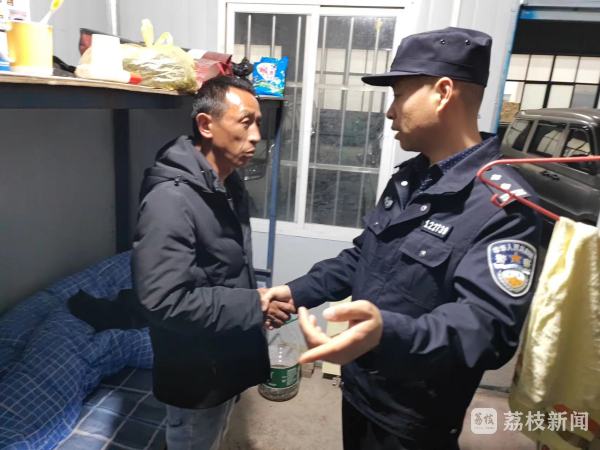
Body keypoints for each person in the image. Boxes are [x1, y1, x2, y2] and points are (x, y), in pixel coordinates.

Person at [264, 27, 542, 450]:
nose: (390, 113)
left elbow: (488, 329)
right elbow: (363, 257)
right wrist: (295, 291)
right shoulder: (411, 178)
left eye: (398, 96)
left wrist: (385, 334)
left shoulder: (502, 205)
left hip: (413, 418)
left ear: (443, 92)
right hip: (361, 387)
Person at [132, 75, 292, 450]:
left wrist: (253, 307)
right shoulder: (170, 200)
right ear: (206, 125)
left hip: (224, 356)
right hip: (195, 373)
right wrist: (255, 304)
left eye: (258, 124)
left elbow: (227, 269)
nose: (256, 136)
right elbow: (163, 301)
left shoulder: (227, 183)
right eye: (246, 122)